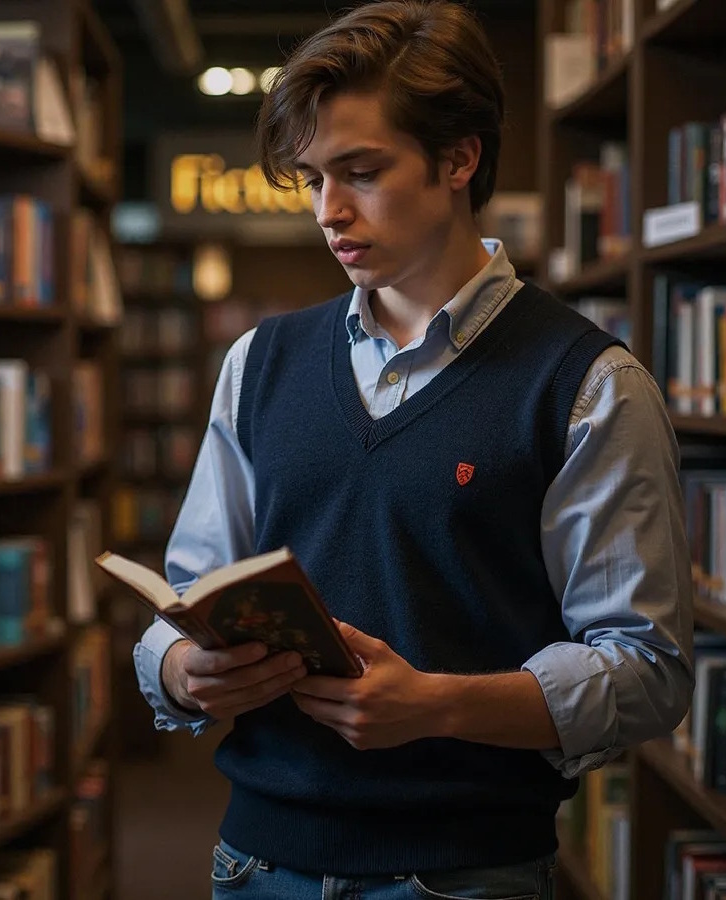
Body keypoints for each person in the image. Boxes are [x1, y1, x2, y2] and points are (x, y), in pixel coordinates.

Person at [134, 1, 694, 897]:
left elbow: (647, 668)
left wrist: (438, 706)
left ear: (458, 157)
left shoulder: (586, 383)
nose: (328, 211)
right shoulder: (259, 363)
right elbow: (185, 598)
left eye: (360, 172)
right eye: (312, 179)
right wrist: (183, 668)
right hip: (252, 862)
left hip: (463, 873)